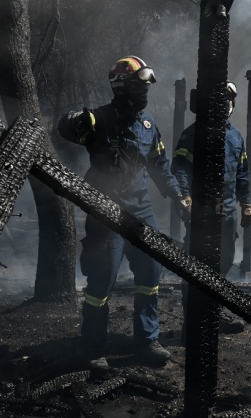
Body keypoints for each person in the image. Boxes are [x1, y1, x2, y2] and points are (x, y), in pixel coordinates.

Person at [59, 55, 186, 369]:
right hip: (106, 209)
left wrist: (179, 196)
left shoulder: (147, 124)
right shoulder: (98, 119)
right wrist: (74, 119)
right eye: (140, 85)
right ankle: (91, 349)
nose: (144, 92)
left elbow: (159, 166)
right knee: (102, 279)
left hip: (141, 209)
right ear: (122, 86)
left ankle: (147, 341)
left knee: (150, 273)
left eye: (145, 87)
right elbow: (65, 130)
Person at [172, 82, 251, 333]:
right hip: (201, 209)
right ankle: (191, 321)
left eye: (228, 99)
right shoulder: (192, 134)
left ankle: (213, 315)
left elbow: (242, 174)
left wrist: (246, 203)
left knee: (224, 260)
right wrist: (185, 197)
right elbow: (180, 170)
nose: (225, 103)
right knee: (195, 263)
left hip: (227, 210)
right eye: (221, 98)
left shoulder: (235, 136)